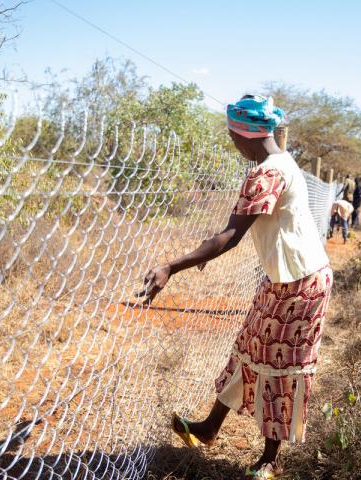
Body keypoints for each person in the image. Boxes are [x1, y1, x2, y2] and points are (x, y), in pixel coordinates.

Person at [138, 95, 333, 479]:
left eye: (231, 135)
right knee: (247, 349)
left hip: (303, 284)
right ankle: (210, 428)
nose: (232, 143)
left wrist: (170, 267)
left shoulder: (266, 173)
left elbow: (231, 234)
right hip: (282, 280)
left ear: (243, 136)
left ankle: (271, 459)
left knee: (284, 365)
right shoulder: (281, 161)